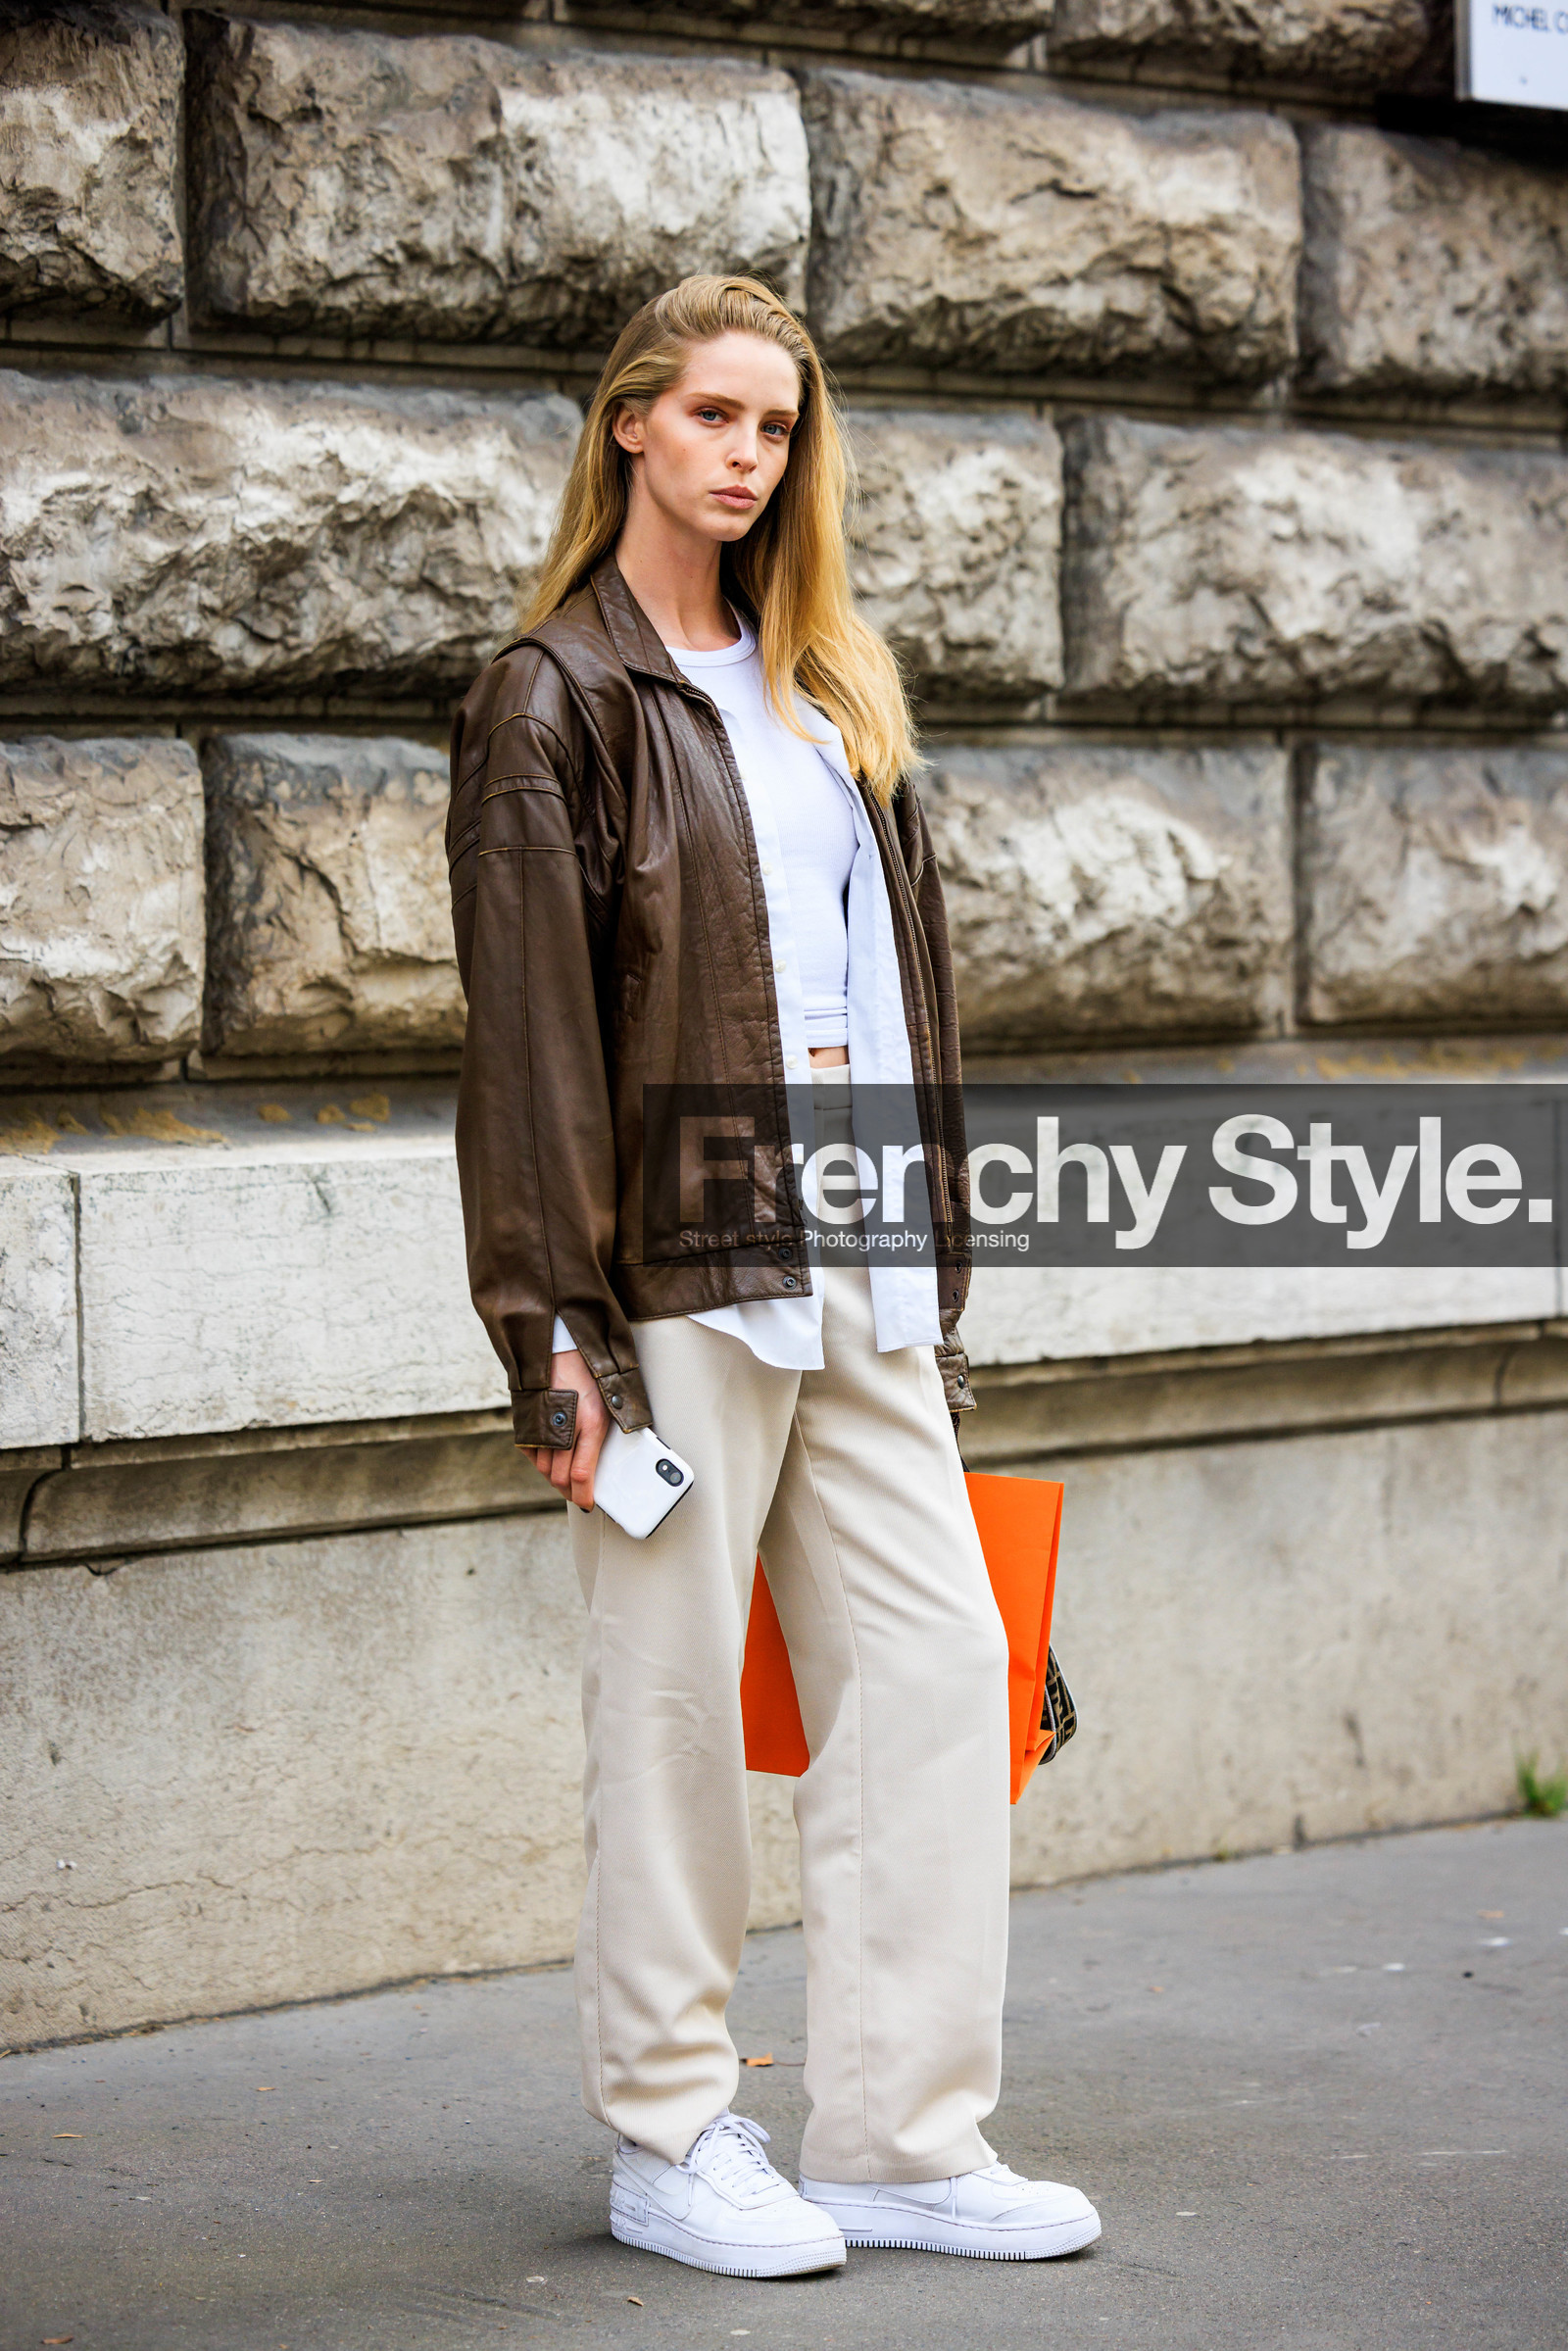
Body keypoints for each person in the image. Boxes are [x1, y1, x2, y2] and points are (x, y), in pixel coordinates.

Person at [447, 275, 1101, 2278]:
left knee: (931, 1670)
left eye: (776, 427)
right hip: (673, 1254)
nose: (747, 455)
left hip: (859, 1239)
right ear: (628, 422)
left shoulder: (827, 685)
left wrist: (934, 1252)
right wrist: (548, 1326)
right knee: (661, 1710)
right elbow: (531, 1035)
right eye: (715, 416)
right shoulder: (553, 697)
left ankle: (898, 2139)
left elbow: (896, 997)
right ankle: (667, 2136)